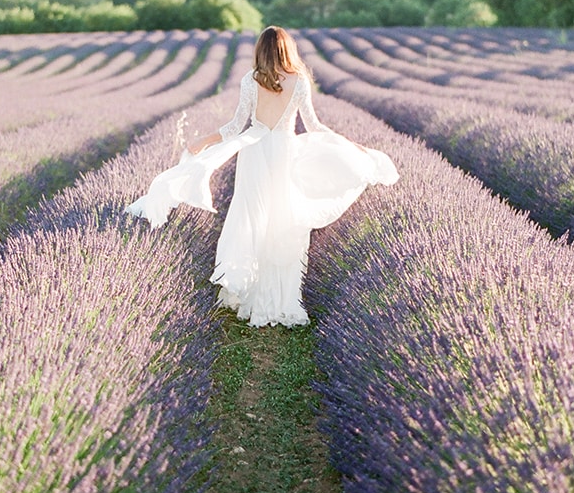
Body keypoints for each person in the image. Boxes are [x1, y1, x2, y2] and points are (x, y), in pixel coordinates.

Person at [126, 26, 398, 328]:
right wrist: (351, 146)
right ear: (287, 49)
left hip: (254, 153)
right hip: (284, 153)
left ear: (261, 50)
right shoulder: (299, 82)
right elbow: (314, 126)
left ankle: (247, 291)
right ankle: (280, 300)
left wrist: (204, 140)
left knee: (250, 217)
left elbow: (234, 127)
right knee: (283, 220)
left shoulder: (250, 80)